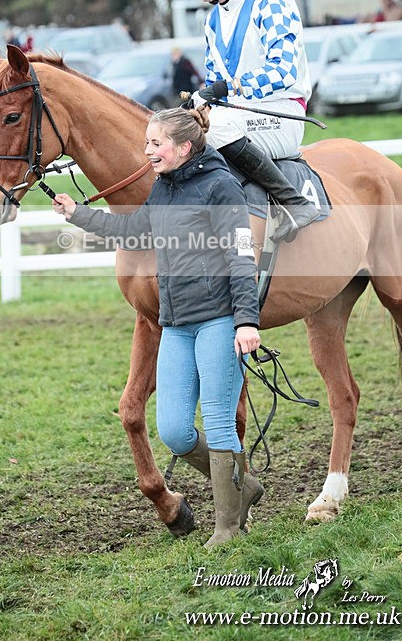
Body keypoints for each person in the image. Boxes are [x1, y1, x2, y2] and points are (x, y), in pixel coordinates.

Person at [52, 107, 264, 549]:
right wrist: (77, 213)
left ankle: (228, 527)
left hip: (218, 322)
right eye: (147, 142)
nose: (147, 151)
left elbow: (243, 257)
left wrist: (245, 320)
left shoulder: (221, 188)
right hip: (176, 325)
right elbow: (133, 232)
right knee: (174, 431)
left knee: (221, 424)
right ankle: (242, 486)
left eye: (155, 143)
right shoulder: (164, 190)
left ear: (184, 148)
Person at [173, 0, 319, 243]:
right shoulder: (213, 19)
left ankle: (295, 203)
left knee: (219, 127)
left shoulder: (271, 1)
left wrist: (229, 88)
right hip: (241, 116)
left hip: (283, 113)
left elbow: (283, 71)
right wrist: (200, 101)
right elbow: (213, 81)